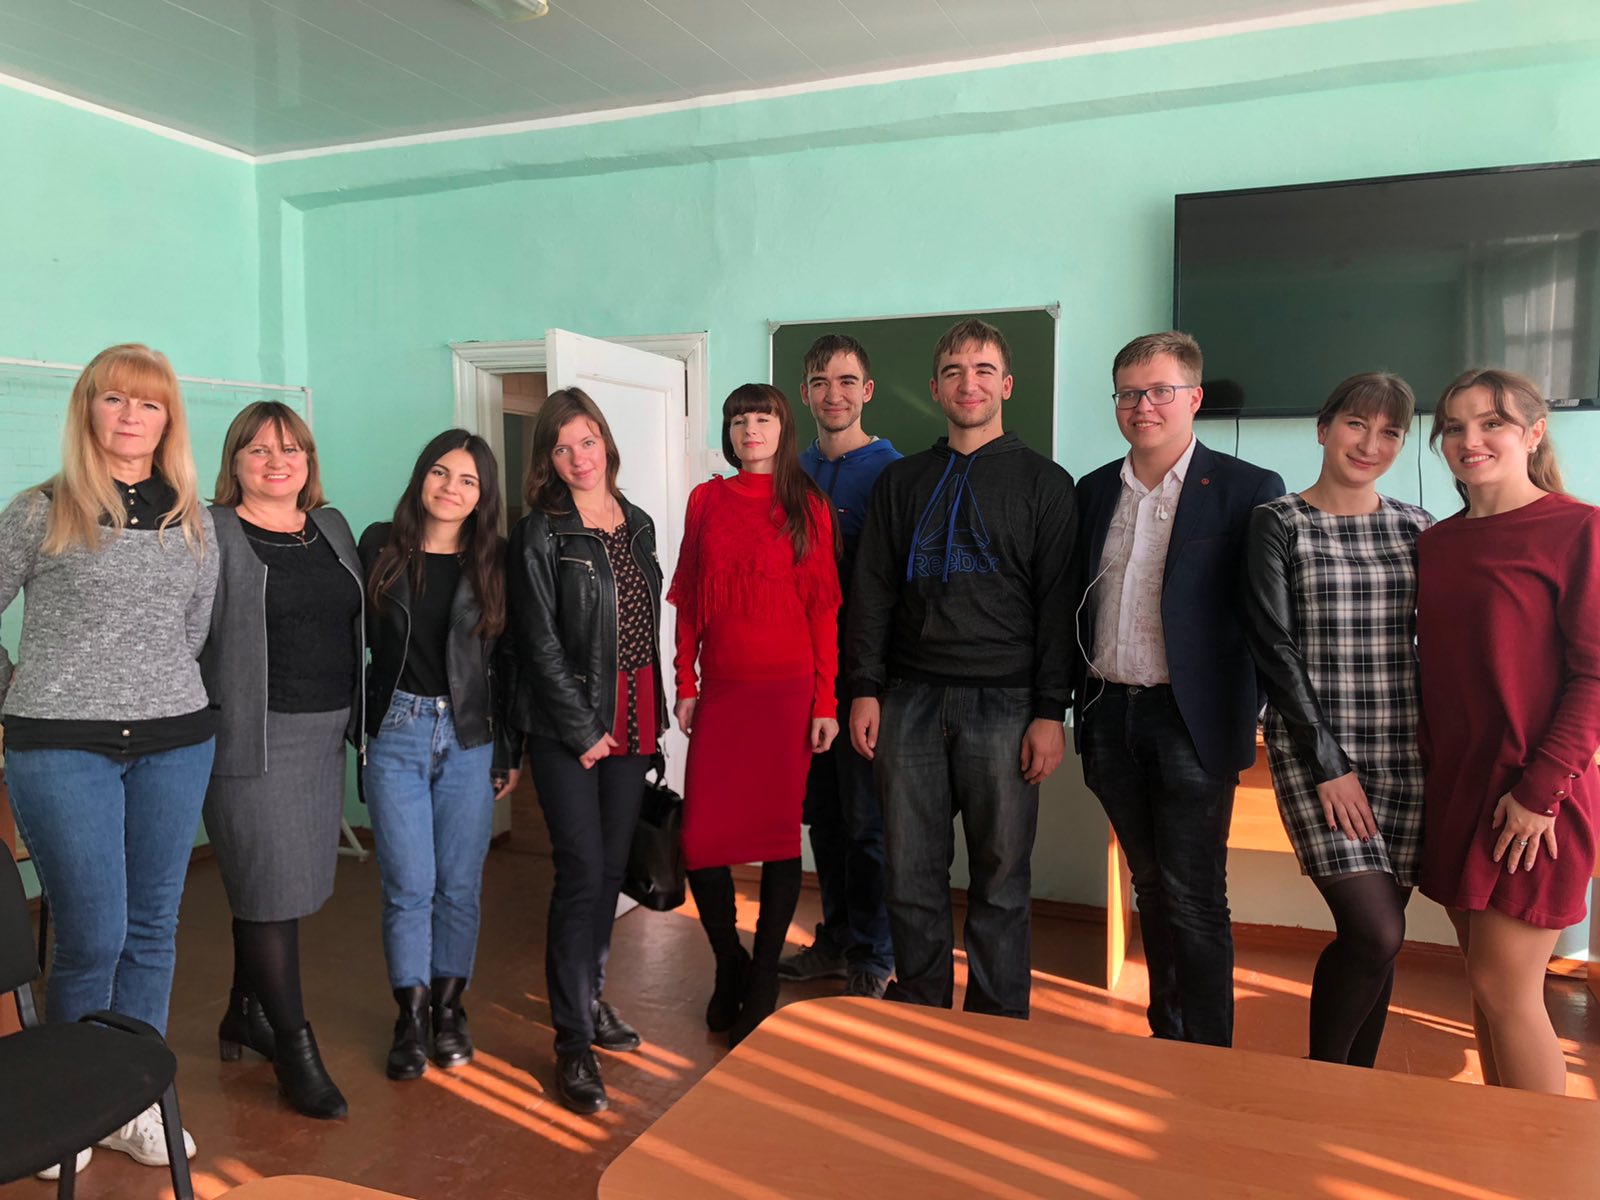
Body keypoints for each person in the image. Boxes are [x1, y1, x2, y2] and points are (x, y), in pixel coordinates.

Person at [0, 343, 213, 1174]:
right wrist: (20, 687)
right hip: (62, 747)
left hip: (173, 744)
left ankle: (134, 1099)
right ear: (88, 409)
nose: (131, 416)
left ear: (168, 420)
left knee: (153, 929)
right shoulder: (40, 510)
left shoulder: (190, 518)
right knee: (93, 934)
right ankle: (72, 1106)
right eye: (115, 399)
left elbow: (191, 630)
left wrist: (148, 686)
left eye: (149, 402)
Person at [848, 318, 1076, 1018]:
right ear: (935, 388)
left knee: (1002, 880)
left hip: (1006, 707)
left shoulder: (1046, 483)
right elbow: (872, 592)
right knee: (910, 874)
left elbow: (1058, 607)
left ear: (1006, 385)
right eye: (953, 371)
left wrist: (1050, 711)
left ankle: (998, 1023)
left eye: (982, 370)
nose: (968, 383)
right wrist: (864, 689)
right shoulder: (900, 481)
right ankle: (921, 1009)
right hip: (909, 701)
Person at [1072, 330, 1284, 1047]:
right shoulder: (1093, 490)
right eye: (1130, 394)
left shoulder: (1248, 489)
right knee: (1151, 884)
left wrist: (1246, 709)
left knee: (1195, 895)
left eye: (1161, 391)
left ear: (1193, 398)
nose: (1144, 406)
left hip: (1190, 723)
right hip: (1108, 715)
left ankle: (1210, 1055)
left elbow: (1266, 618)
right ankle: (1170, 1035)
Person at [1416, 368, 1600, 1095]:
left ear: (1533, 432)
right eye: (1455, 426)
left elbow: (1594, 677)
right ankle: (1502, 1146)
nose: (1471, 439)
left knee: (1507, 991)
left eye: (1492, 422)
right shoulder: (1437, 543)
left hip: (1534, 797)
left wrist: (1538, 793)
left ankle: (1545, 1154)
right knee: (1483, 990)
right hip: (1459, 791)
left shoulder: (1578, 529)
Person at [1243, 373, 1431, 1067]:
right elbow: (1274, 650)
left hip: (1408, 753)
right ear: (1324, 429)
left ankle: (1359, 1088)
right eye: (1357, 424)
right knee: (1376, 932)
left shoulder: (1418, 526)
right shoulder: (1278, 522)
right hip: (1318, 753)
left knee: (1382, 940)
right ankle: (1322, 1079)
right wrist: (1330, 764)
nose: (1370, 443)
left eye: (1390, 432)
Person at [201, 401, 363, 1118]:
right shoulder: (210, 532)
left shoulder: (332, 527)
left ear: (308, 460)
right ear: (235, 461)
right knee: (269, 892)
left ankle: (245, 1012)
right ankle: (297, 1053)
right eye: (259, 450)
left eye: (291, 448)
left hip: (325, 735)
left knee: (274, 887)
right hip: (250, 739)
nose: (277, 461)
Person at [506, 388, 666, 1114]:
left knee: (608, 876)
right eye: (562, 447)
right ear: (549, 459)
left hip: (634, 715)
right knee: (579, 875)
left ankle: (590, 999)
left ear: (606, 442)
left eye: (588, 441)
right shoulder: (539, 532)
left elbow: (640, 629)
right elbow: (536, 641)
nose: (579, 457)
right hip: (568, 724)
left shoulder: (638, 522)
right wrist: (580, 727)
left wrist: (649, 719)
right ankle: (572, 1043)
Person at [670, 383, 841, 1047]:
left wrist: (825, 701)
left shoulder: (808, 504)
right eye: (739, 419)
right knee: (701, 838)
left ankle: (764, 975)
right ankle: (729, 962)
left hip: (788, 693)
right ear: (729, 431)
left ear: (782, 428)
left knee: (776, 838)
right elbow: (690, 600)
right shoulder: (706, 501)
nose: (750, 429)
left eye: (762, 418)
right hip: (724, 691)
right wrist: (685, 682)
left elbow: (822, 609)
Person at [359, 429, 521, 1082]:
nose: (451, 488)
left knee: (458, 883)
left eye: (468, 480)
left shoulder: (496, 560)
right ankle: (410, 1016)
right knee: (408, 885)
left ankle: (450, 1012)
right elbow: (351, 639)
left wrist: (508, 748)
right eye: (440, 473)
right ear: (421, 476)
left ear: (483, 495)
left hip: (469, 736)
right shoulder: (379, 545)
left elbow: (509, 663)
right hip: (396, 729)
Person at [781, 334, 901, 998]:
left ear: (868, 391)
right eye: (821, 382)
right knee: (822, 819)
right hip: (800, 684)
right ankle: (834, 938)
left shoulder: (894, 474)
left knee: (865, 823)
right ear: (805, 393)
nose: (834, 394)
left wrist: (872, 685)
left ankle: (874, 952)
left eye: (847, 381)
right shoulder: (787, 472)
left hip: (861, 685)